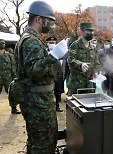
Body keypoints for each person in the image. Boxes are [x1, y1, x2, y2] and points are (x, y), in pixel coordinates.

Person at [14, 1, 66, 153]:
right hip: (38, 103)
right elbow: (34, 71)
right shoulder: (31, 40)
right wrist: (53, 55)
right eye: (48, 20)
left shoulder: (29, 38)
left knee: (38, 141)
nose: (50, 24)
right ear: (38, 19)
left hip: (37, 101)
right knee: (43, 145)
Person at [67, 22, 100, 95]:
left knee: (89, 104)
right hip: (77, 84)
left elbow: (97, 62)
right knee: (75, 105)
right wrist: (80, 64)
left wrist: (95, 71)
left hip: (90, 84)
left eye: (92, 31)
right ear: (81, 31)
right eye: (88, 31)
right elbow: (70, 60)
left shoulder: (93, 47)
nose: (91, 33)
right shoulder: (75, 45)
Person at [0, 39, 20, 114]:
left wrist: (15, 77)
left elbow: (13, 67)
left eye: (3, 43)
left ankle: (14, 108)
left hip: (7, 78)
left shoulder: (9, 55)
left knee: (12, 93)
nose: (2, 45)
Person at [46, 36, 64, 112]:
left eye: (53, 43)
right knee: (48, 92)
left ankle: (57, 106)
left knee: (57, 92)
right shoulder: (45, 52)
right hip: (49, 75)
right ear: (47, 43)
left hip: (58, 75)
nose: (52, 44)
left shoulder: (60, 51)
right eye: (50, 43)